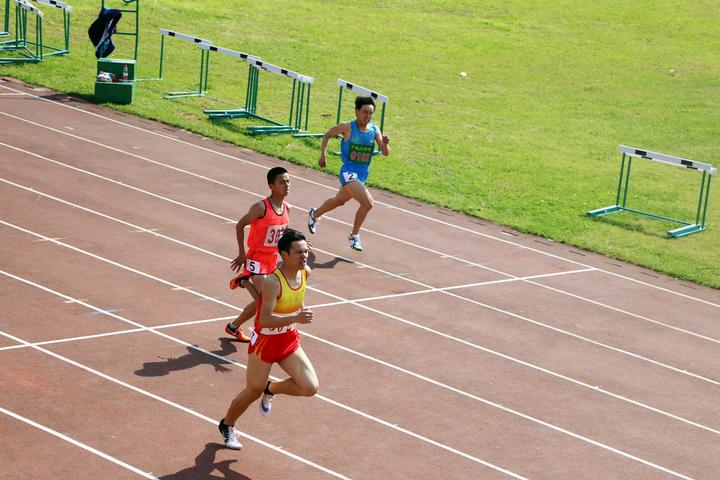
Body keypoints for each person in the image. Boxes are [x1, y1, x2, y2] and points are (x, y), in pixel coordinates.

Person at [218, 229, 318, 450]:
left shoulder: (305, 273)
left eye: (306, 252)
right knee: (252, 391)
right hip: (265, 343)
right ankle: (227, 425)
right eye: (298, 252)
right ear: (284, 254)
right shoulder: (274, 282)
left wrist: (298, 312)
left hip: (288, 340)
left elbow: (296, 297)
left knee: (310, 387)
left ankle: (272, 389)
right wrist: (296, 317)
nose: (304, 256)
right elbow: (263, 320)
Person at [307, 95, 390, 251]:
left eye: (371, 113)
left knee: (339, 201)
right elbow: (327, 135)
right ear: (357, 111)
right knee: (368, 203)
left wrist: (385, 144)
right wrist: (323, 155)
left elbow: (385, 152)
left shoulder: (374, 129)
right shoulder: (347, 127)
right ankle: (354, 236)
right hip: (348, 172)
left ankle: (315, 214)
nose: (368, 116)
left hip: (362, 174)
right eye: (365, 112)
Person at [225, 167, 290, 342]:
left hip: (272, 260)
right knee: (266, 300)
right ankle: (259, 335)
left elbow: (281, 233)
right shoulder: (260, 207)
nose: (287, 185)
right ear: (271, 185)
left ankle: (233, 326)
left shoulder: (287, 208)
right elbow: (240, 225)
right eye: (282, 182)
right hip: (256, 258)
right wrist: (242, 254)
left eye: (288, 181)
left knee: (264, 300)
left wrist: (297, 243)